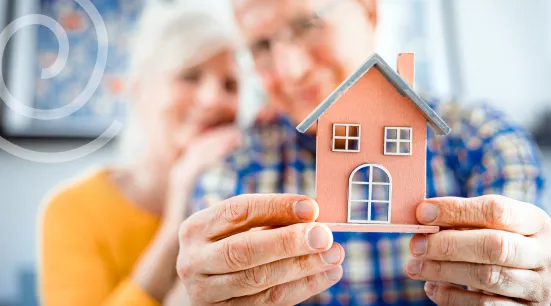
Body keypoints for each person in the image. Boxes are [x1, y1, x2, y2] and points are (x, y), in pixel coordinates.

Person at [175, 0, 550, 305]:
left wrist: (534, 286)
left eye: (308, 24)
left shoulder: (483, 141)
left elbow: (525, 270)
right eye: (261, 47)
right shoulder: (234, 171)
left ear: (369, 11)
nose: (291, 70)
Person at [39, 3, 242, 305]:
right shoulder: (72, 210)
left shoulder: (239, 203)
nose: (214, 99)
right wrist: (176, 221)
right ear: (139, 91)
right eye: (190, 76)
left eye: (230, 84)